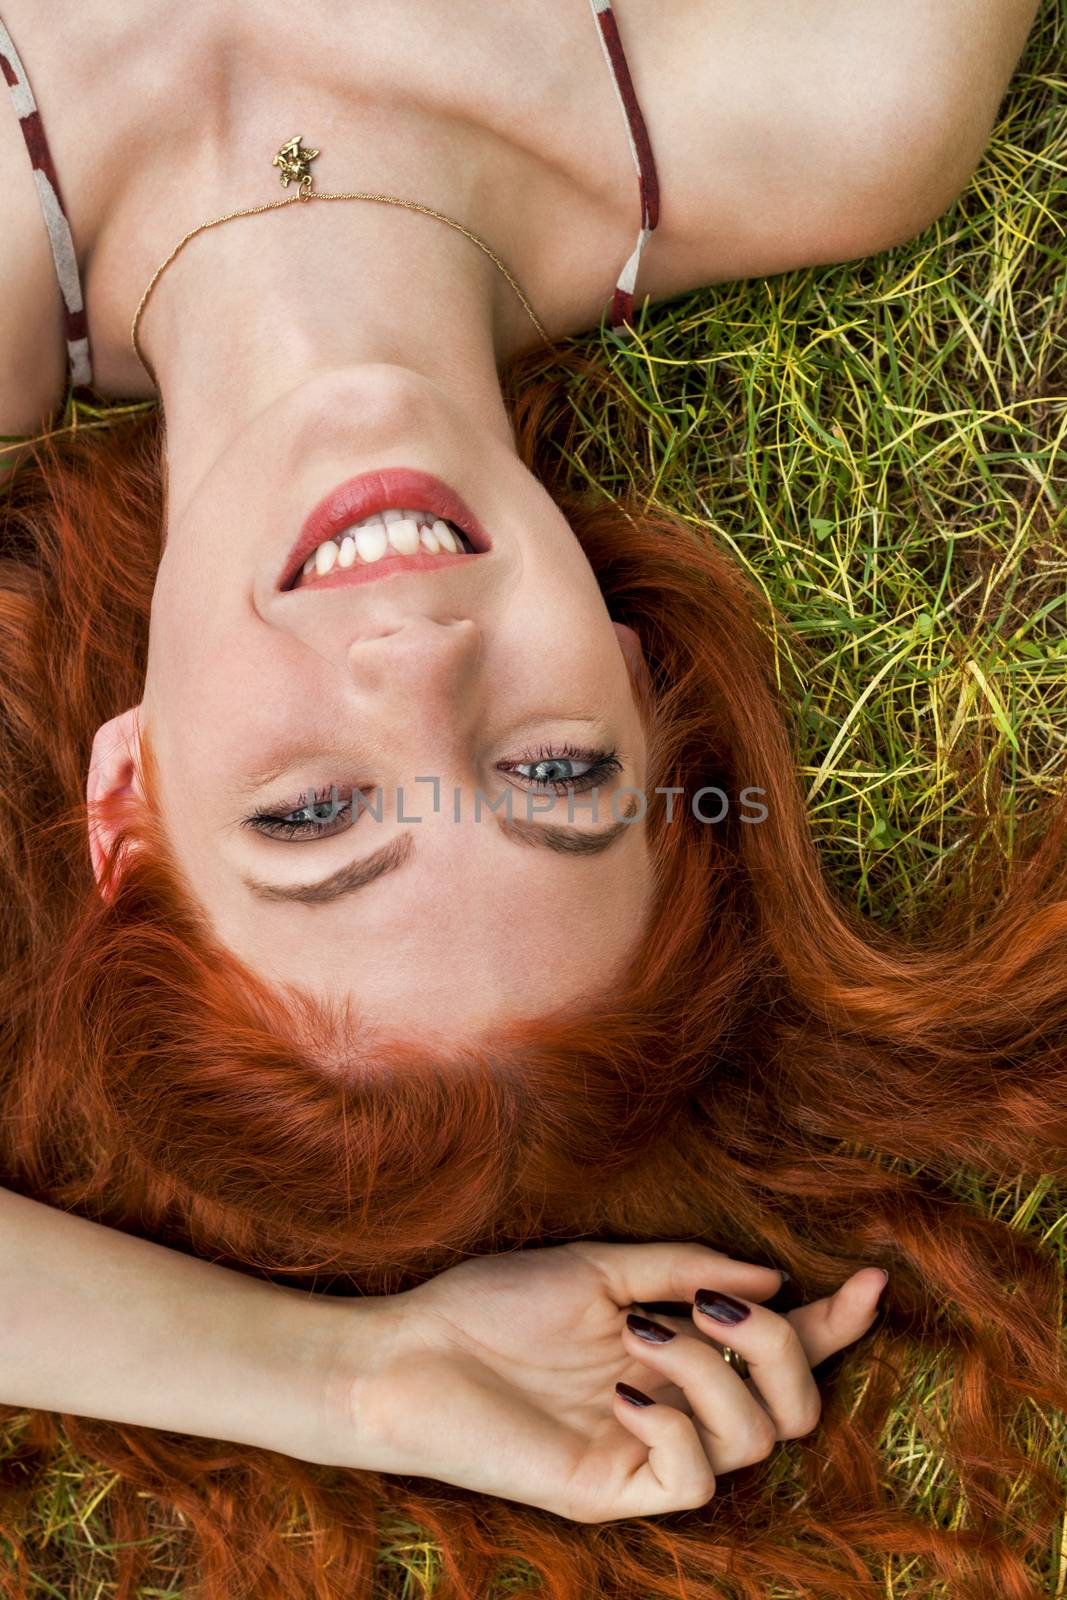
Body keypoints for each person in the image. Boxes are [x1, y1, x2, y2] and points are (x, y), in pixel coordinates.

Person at [2, 2, 1064, 1597]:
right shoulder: (831, 100)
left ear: (126, 800)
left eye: (311, 818)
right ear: (641, 690)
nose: (419, 669)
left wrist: (352, 1381)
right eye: (556, 775)